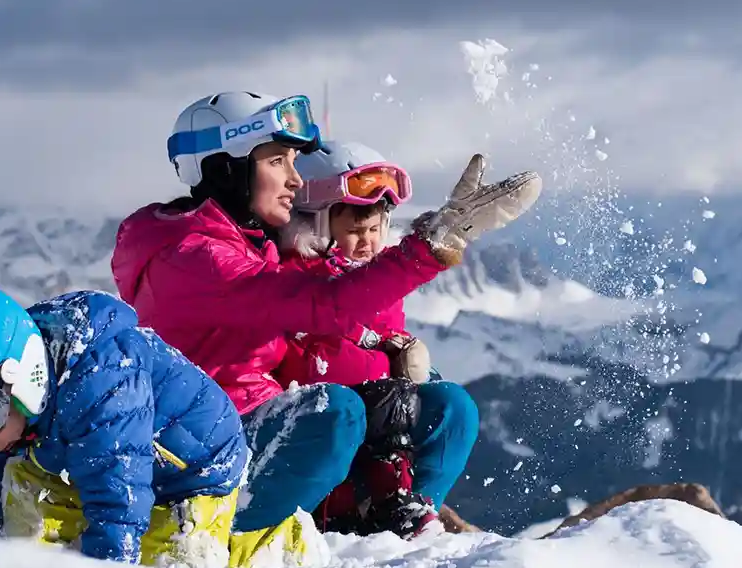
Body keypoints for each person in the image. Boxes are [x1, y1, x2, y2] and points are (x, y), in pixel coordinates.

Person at [109, 91, 541, 544]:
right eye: (278, 161)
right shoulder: (195, 257)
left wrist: (384, 347)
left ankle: (393, 534)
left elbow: (326, 295)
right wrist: (433, 243)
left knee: (446, 407)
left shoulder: (244, 241)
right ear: (225, 168)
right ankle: (244, 539)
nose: (294, 179)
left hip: (253, 426)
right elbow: (323, 301)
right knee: (335, 412)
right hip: (204, 453)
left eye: (294, 162)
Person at [0, 280, 296, 568]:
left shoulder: (104, 382)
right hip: (95, 458)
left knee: (173, 564)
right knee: (12, 484)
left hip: (190, 478)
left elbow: (118, 503)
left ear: (21, 377)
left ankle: (269, 540)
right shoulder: (19, 387)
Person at [276, 140, 447, 537]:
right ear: (316, 224)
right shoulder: (296, 277)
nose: (368, 242)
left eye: (375, 229)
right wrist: (384, 362)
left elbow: (389, 331)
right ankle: (383, 506)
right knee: (386, 398)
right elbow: (314, 350)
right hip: (325, 418)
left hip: (376, 412)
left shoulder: (377, 277)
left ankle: (408, 509)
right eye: (355, 231)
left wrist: (400, 349)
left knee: (449, 405)